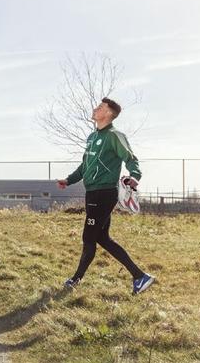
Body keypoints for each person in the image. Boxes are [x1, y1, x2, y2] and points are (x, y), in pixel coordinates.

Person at [57, 97, 154, 295]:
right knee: (102, 237)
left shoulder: (114, 135)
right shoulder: (92, 137)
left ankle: (76, 279)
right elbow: (85, 166)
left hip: (105, 193)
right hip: (92, 192)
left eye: (100, 107)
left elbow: (130, 157)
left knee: (89, 237)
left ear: (109, 113)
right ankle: (139, 276)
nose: (95, 108)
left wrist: (135, 176)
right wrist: (68, 180)